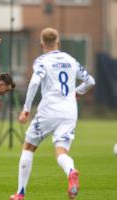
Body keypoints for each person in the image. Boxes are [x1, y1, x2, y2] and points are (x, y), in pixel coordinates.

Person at [10, 28, 95, 200]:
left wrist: (26, 109)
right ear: (58, 43)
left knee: (28, 147)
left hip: (49, 110)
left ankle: (20, 193)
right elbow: (90, 81)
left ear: (42, 44)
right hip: (70, 111)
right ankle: (71, 171)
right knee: (61, 151)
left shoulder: (42, 60)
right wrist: (77, 93)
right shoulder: (70, 60)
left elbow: (34, 82)